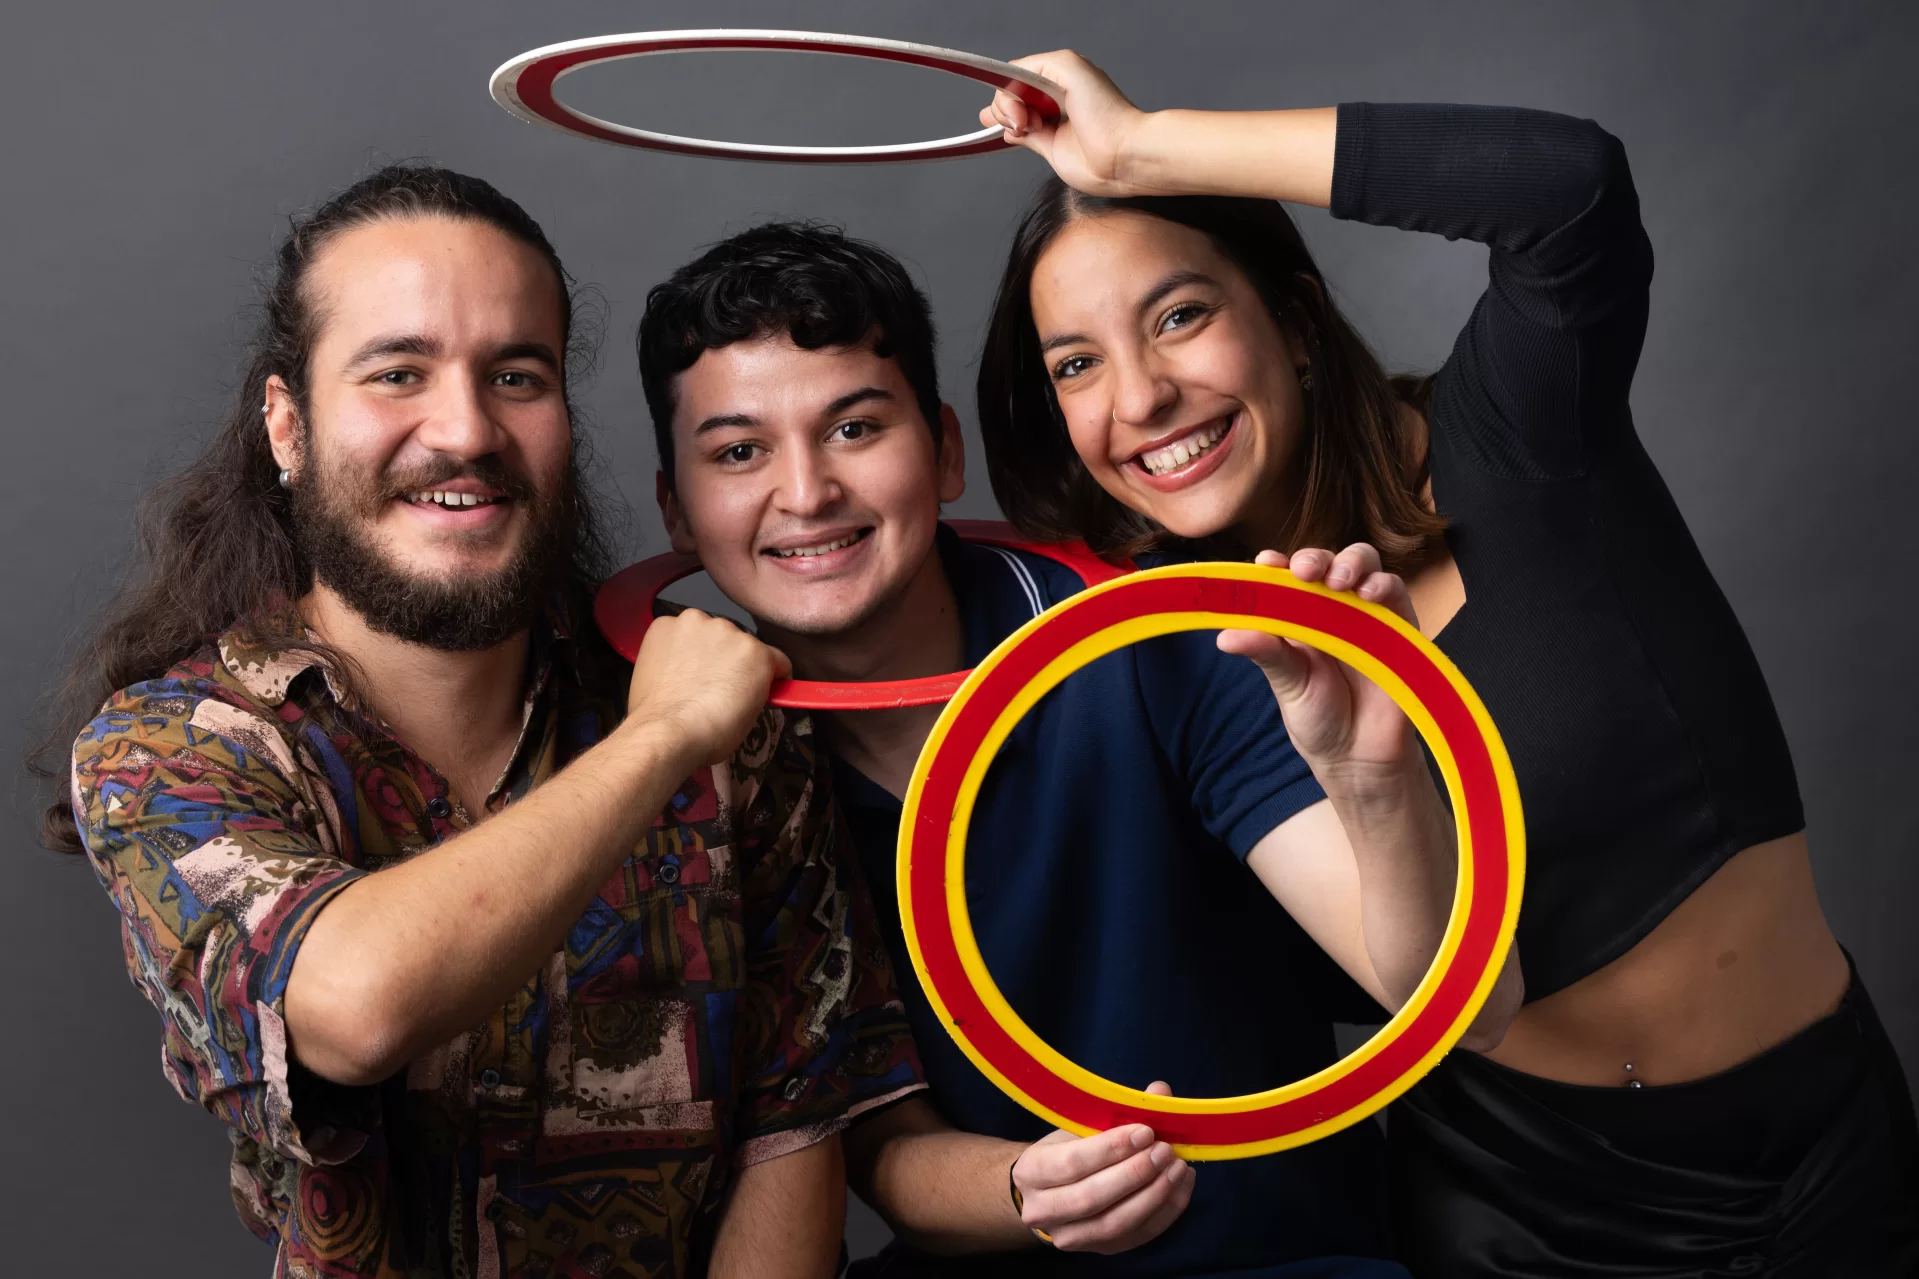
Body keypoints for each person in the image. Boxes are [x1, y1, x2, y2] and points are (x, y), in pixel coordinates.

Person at [974, 53, 1919, 1276]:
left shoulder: (1515, 437)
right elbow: (1453, 1006)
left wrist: (1135, 152)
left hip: (1832, 1130)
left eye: (1178, 314)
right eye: (1075, 363)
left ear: (1294, 326)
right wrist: (1367, 778)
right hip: (1531, 1207)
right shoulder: (1201, 655)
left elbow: (1568, 187)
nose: (1142, 395)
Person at [46, 165, 922, 1279]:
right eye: (397, 371)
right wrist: (658, 743)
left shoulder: (730, 736)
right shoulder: (168, 749)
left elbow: (794, 1127)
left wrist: (685, 726)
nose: (464, 428)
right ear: (287, 424)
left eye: (515, 375)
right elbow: (353, 1005)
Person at [637, 221, 1518, 1277]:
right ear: (675, 512)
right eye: (738, 452)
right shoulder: (702, 764)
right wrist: (1025, 1188)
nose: (806, 492)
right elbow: (867, 1141)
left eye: (854, 428)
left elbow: (1464, 1006)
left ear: (945, 448)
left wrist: (1373, 780)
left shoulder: (1155, 646)